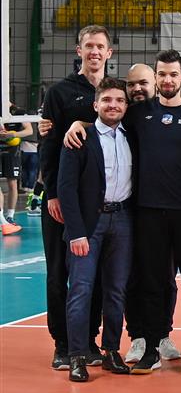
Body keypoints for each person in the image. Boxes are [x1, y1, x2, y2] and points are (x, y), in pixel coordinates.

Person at [122, 51, 181, 373]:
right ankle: (151, 349)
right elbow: (103, 120)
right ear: (156, 78)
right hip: (149, 212)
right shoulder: (138, 113)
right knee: (152, 283)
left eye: (173, 74)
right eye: (162, 74)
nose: (167, 80)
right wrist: (76, 124)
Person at [40, 25, 114, 371]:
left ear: (109, 52)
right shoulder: (60, 92)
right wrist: (52, 193)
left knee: (94, 274)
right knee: (58, 274)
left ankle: (88, 340)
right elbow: (48, 145)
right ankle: (62, 343)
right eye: (89, 46)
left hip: (95, 203)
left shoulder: (114, 92)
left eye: (100, 46)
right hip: (63, 199)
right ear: (78, 50)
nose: (94, 51)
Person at [57, 78, 134, 382]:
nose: (113, 105)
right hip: (90, 224)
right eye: (107, 100)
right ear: (96, 105)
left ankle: (111, 350)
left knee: (116, 290)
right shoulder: (80, 137)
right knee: (81, 289)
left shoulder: (132, 136)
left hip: (123, 219)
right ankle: (77, 356)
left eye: (119, 100)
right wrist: (76, 232)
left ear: (126, 105)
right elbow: (66, 188)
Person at [1, 110, 32, 234]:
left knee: (13, 184)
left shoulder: (18, 112)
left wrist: (13, 134)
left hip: (12, 153)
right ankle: (2, 220)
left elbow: (29, 130)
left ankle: (9, 217)